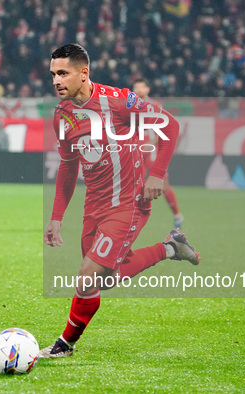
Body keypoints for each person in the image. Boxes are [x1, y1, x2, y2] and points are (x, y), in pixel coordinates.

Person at [41, 43, 200, 358]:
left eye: (63, 73)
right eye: (53, 74)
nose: (56, 80)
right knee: (106, 279)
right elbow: (68, 166)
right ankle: (171, 247)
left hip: (129, 204)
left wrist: (157, 175)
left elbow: (169, 124)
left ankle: (65, 345)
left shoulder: (118, 100)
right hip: (94, 206)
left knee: (88, 274)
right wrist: (56, 217)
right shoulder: (62, 115)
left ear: (83, 73)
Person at [133, 78, 184, 229]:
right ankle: (133, 217)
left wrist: (153, 142)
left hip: (152, 151)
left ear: (147, 89)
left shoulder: (155, 105)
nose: (138, 90)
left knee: (162, 184)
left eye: (141, 87)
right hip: (137, 151)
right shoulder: (130, 105)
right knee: (134, 185)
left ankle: (177, 214)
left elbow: (162, 127)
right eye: (135, 87)